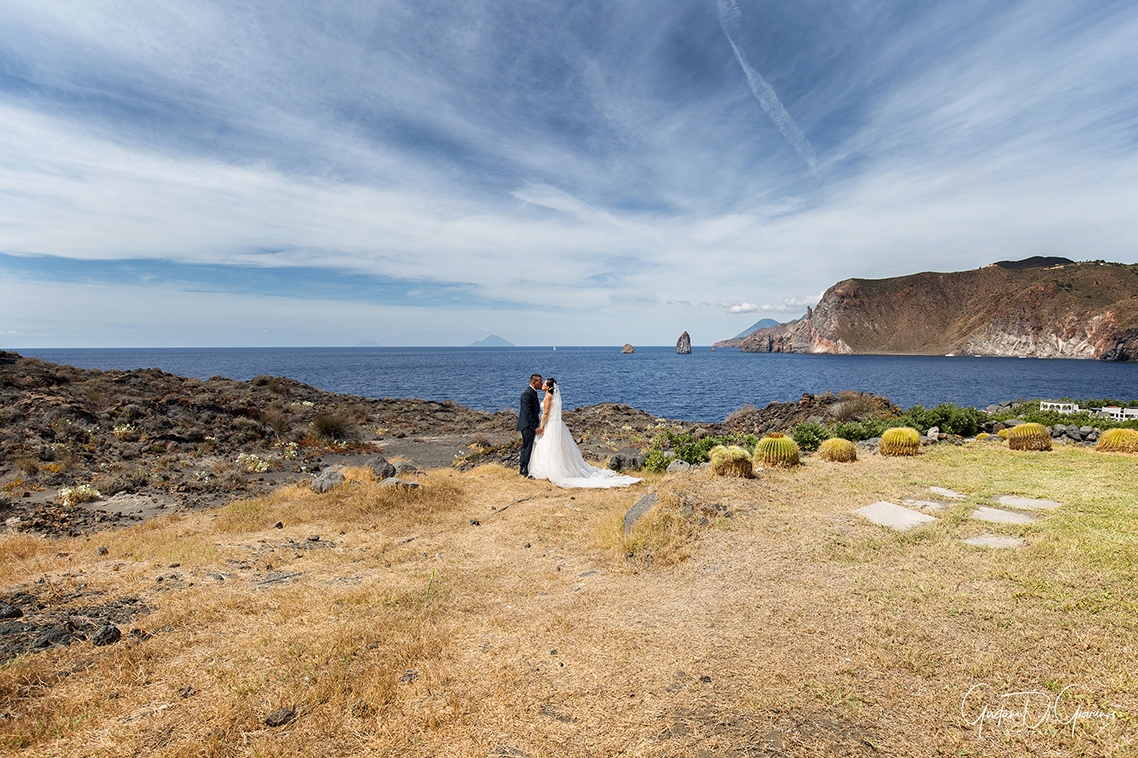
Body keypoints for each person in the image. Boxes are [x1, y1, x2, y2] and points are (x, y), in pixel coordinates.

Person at [529, 378, 642, 488]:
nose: (542, 384)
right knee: (552, 446)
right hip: (553, 423)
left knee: (549, 446)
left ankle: (549, 470)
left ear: (548, 387)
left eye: (544, 383)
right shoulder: (549, 396)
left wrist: (541, 426)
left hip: (549, 424)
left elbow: (546, 414)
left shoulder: (548, 397)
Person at [517, 373, 542, 477]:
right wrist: (535, 426)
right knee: (527, 448)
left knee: (527, 447)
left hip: (529, 425)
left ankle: (523, 469)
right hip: (527, 426)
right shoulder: (527, 393)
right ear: (533, 382)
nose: (541, 384)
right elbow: (527, 412)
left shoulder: (533, 392)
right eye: (539, 382)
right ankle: (524, 470)